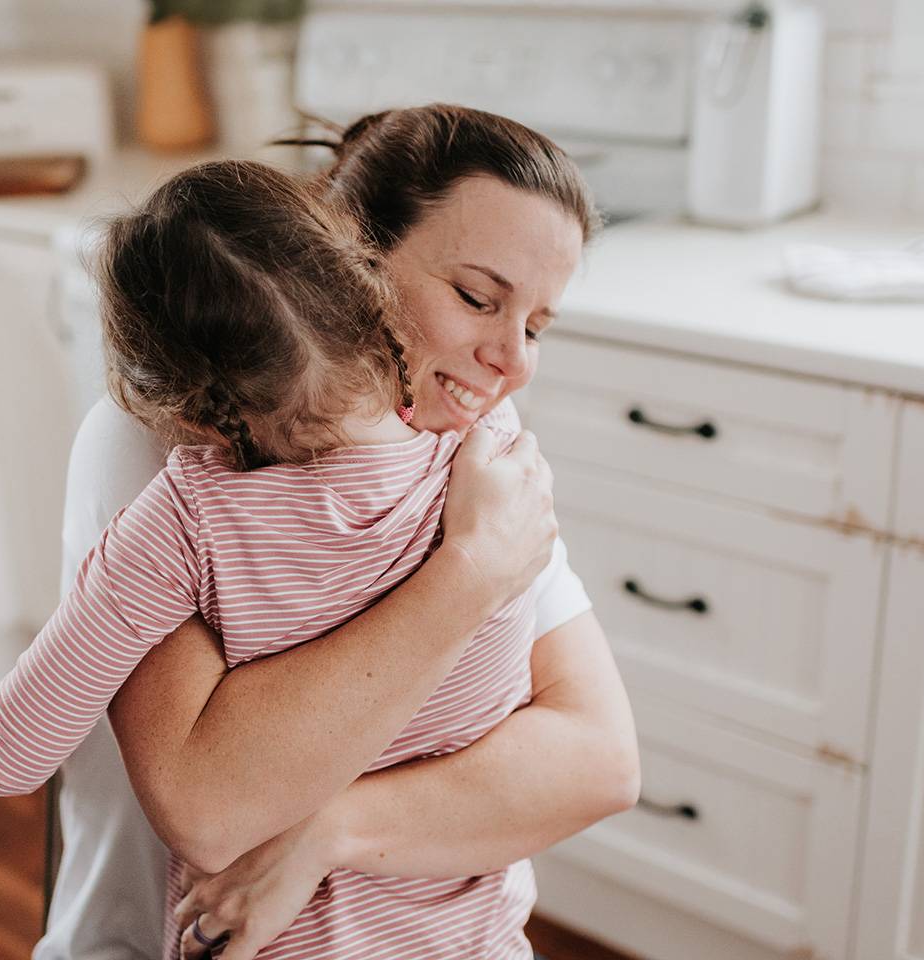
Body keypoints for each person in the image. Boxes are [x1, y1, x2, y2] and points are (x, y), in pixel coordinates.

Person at [36, 105, 641, 960]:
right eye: (476, 298)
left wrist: (328, 831)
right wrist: (469, 573)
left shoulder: (464, 455)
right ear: (349, 260)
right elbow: (209, 807)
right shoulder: (171, 440)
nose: (515, 359)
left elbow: (598, 758)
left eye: (537, 325)